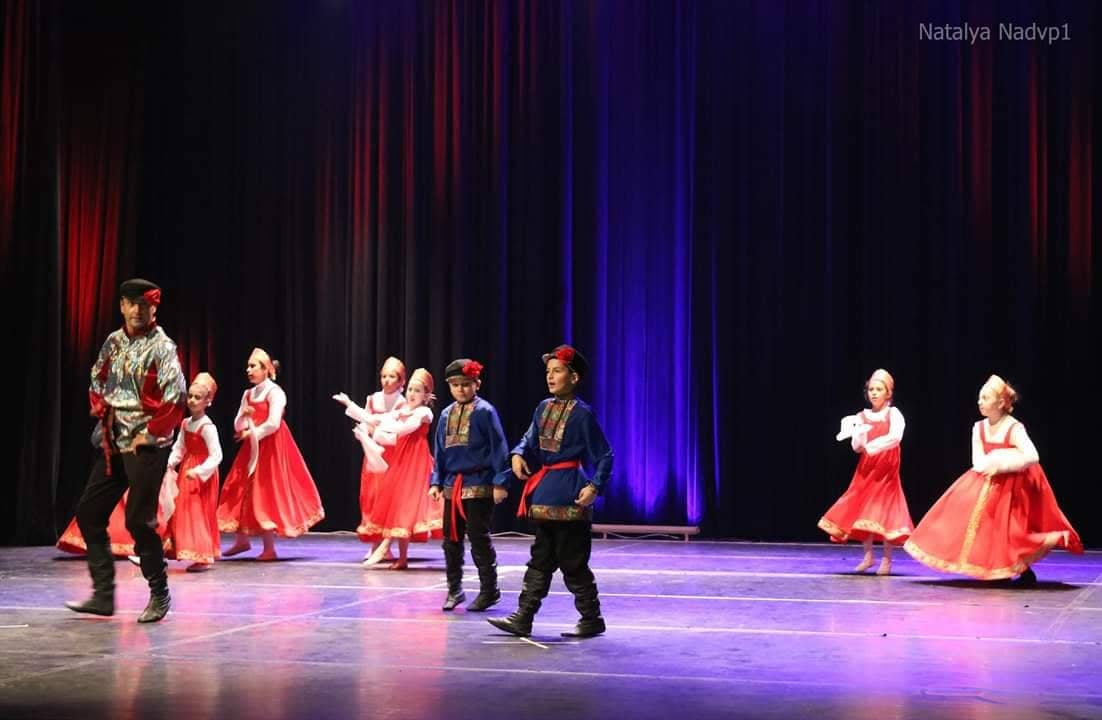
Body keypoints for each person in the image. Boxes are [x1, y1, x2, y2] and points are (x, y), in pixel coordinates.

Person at [65, 278, 185, 623]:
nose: (137, 310)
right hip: (114, 440)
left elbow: (176, 396)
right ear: (122, 306)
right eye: (131, 304)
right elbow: (97, 378)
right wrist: (103, 411)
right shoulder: (113, 342)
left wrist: (151, 432)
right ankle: (103, 595)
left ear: (154, 308)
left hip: (146, 444)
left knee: (138, 520)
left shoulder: (162, 347)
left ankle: (159, 592)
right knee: (89, 512)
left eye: (144, 305)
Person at [904, 375, 1083, 585]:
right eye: (979, 397)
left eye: (985, 398)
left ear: (1000, 403)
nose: (979, 402)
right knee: (980, 522)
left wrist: (1002, 462)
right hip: (989, 480)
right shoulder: (978, 427)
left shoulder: (1013, 427)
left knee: (1010, 531)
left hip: (1015, 485)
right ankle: (998, 569)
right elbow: (978, 461)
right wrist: (989, 466)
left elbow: (1032, 456)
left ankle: (1019, 569)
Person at [488, 345, 613, 638]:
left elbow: (605, 455)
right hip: (546, 492)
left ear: (574, 377)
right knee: (540, 559)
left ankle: (592, 618)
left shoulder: (582, 414)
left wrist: (594, 487)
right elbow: (528, 439)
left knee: (573, 562)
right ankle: (523, 617)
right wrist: (518, 454)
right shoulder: (543, 408)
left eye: (557, 371)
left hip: (569, 493)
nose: (550, 376)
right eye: (548, 371)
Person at [218, 348, 324, 560]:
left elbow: (274, 423)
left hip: (272, 447)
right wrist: (244, 417)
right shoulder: (248, 394)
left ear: (266, 369)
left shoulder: (275, 392)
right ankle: (242, 540)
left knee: (265, 492)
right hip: (252, 446)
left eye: (253, 366)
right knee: (241, 488)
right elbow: (237, 425)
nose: (248, 370)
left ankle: (269, 548)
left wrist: (251, 433)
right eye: (248, 366)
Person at [429, 359, 508, 611]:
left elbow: (498, 447)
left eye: (465, 384)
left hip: (479, 481)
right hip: (453, 483)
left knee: (478, 536)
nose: (461, 389)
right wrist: (436, 481)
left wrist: (500, 481)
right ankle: (454, 589)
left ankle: (489, 590)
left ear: (477, 384)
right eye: (455, 385)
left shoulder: (485, 411)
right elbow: (440, 451)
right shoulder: (446, 414)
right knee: (450, 539)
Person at [818, 369, 913, 575]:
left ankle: (887, 560)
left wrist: (871, 446)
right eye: (871, 389)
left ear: (888, 393)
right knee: (863, 510)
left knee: (886, 512)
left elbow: (895, 437)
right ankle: (868, 557)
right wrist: (858, 436)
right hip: (867, 470)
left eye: (879, 389)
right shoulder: (861, 416)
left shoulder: (893, 414)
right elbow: (857, 447)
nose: (875, 393)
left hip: (887, 471)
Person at [361, 368, 444, 569]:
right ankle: (402, 558)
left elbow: (404, 428)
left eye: (417, 390)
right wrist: (356, 412)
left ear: (426, 395)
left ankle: (385, 546)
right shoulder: (404, 410)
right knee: (398, 503)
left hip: (416, 462)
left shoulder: (424, 412)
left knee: (406, 504)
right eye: (410, 390)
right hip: (401, 459)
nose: (412, 394)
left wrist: (381, 430)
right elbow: (379, 418)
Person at [333, 356, 407, 563]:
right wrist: (364, 432)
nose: (386, 380)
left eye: (392, 376)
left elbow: (391, 427)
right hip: (373, 454)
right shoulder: (373, 399)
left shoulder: (402, 403)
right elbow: (366, 420)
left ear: (401, 381)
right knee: (372, 497)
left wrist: (373, 427)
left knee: (389, 499)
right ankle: (375, 543)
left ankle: (385, 544)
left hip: (392, 456)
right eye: (384, 376)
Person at [160, 372, 223, 572]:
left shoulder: (207, 426)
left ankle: (203, 555)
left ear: (207, 401)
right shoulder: (186, 423)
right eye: (190, 396)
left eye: (198, 397)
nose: (192, 401)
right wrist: (170, 463)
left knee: (197, 511)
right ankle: (175, 548)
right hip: (187, 470)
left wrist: (200, 471)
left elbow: (217, 455)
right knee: (181, 508)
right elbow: (179, 448)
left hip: (202, 474)